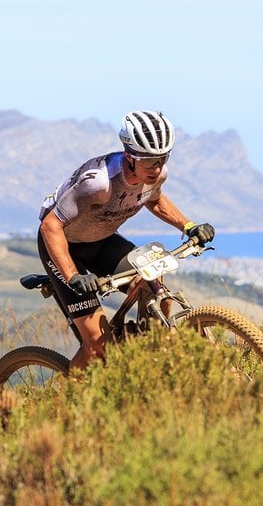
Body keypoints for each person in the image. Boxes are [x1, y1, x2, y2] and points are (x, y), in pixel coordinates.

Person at [38, 110, 216, 369]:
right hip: (63, 248)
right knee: (99, 346)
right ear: (131, 157)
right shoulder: (98, 183)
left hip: (102, 242)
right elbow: (50, 226)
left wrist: (189, 226)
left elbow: (153, 200)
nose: (157, 168)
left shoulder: (157, 175)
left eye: (162, 159)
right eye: (149, 162)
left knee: (155, 286)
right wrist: (73, 276)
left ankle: (145, 358)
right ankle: (59, 400)